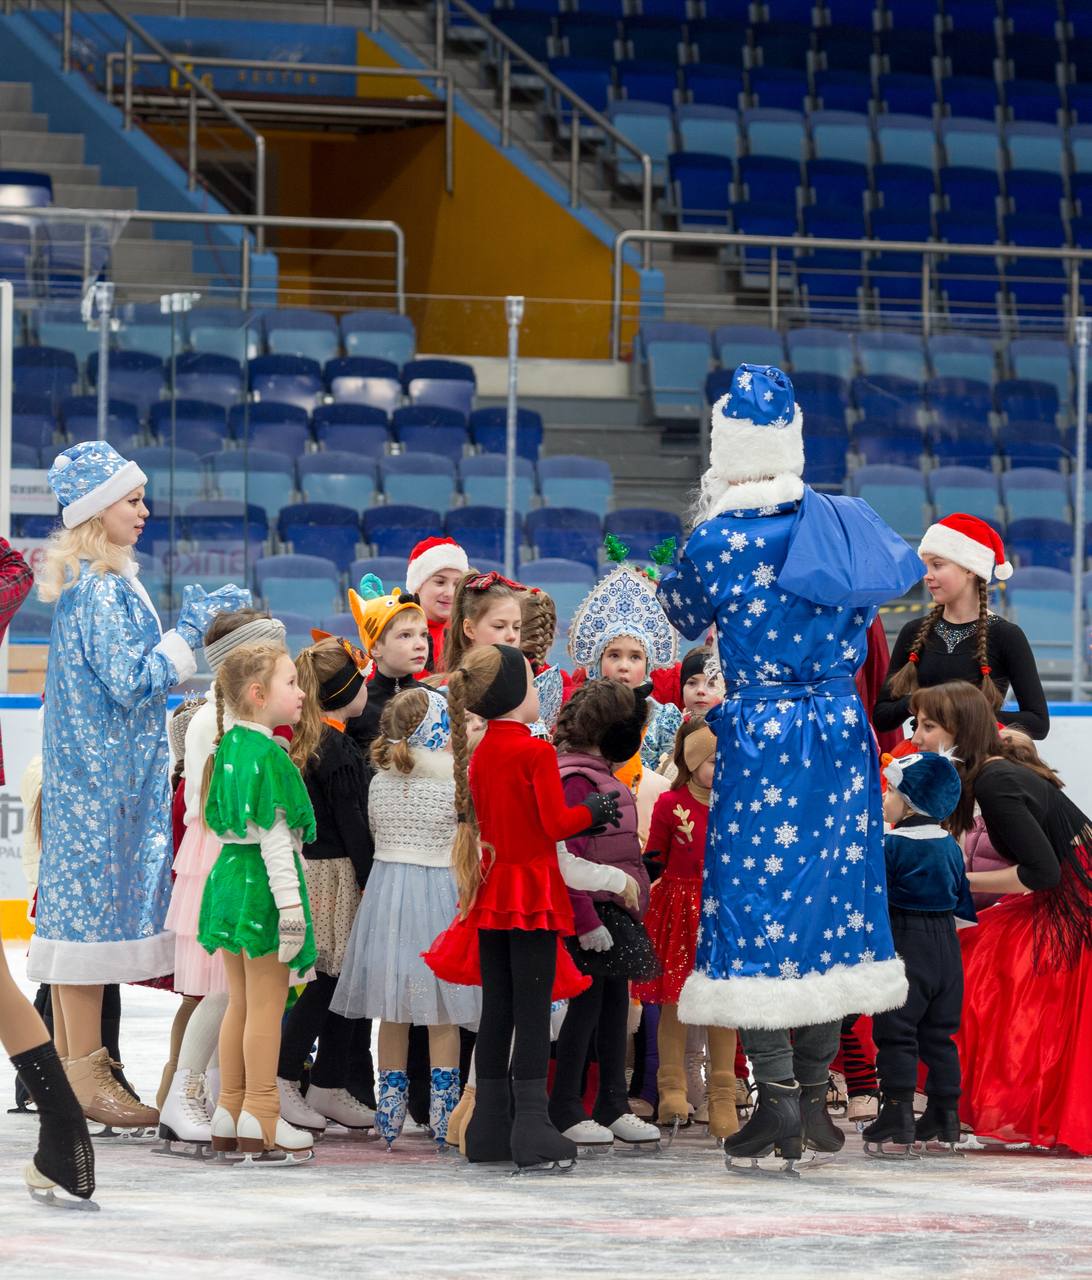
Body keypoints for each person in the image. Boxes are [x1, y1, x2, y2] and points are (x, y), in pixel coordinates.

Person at [657, 364, 923, 1173]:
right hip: (839, 732)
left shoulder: (712, 540)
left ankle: (772, 1101)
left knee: (753, 907)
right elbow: (877, 600)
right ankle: (814, 1098)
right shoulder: (842, 522)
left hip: (764, 732)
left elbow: (679, 614)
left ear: (724, 452)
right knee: (830, 902)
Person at [28, 441, 249, 1134]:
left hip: (97, 784)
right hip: (102, 790)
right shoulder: (99, 588)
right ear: (99, 511)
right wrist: (188, 634)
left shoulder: (101, 583)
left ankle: (78, 1069)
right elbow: (131, 681)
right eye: (132, 499)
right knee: (85, 934)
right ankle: (86, 1071)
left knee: (75, 936)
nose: (145, 510)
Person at [422, 644, 632, 1170]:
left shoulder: (484, 749)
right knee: (533, 1014)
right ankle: (532, 1125)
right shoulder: (534, 752)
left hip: (493, 891)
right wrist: (592, 809)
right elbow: (554, 824)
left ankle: (491, 1126)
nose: (541, 691)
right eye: (534, 683)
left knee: (498, 1011)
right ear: (516, 696)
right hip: (531, 892)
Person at [909, 681, 1092, 1156]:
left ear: (959, 729)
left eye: (928, 726)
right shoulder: (993, 773)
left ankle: (953, 1103)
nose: (917, 738)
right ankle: (946, 1103)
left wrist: (959, 881)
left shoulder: (995, 781)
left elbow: (1041, 874)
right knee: (968, 965)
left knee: (975, 973)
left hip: (1075, 903)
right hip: (1069, 892)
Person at [158, 609, 289, 1149]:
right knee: (222, 988)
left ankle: (210, 1094)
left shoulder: (233, 717)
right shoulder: (223, 724)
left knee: (223, 990)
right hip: (227, 856)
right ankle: (187, 1092)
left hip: (222, 852)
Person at [332, 687, 480, 1149]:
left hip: (387, 896)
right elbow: (464, 843)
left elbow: (377, 833)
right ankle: (444, 1109)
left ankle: (389, 1108)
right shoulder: (454, 782)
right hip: (438, 893)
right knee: (442, 1011)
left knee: (392, 1008)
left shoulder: (381, 779)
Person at [197, 643, 318, 1163]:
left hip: (227, 880)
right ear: (257, 694)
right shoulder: (269, 755)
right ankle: (262, 1114)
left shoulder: (229, 747)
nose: (301, 692)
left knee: (240, 1003)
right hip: (264, 888)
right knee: (265, 1007)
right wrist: (291, 910)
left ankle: (230, 1109)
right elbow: (275, 841)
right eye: (291, 683)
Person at [550, 678, 661, 1149]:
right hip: (590, 914)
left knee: (616, 1007)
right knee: (586, 1010)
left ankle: (612, 1102)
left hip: (616, 910)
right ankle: (566, 1104)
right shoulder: (577, 779)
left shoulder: (602, 774)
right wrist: (586, 920)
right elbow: (565, 858)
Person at [276, 636, 377, 1137]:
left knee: (341, 985)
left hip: (324, 873)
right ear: (343, 693)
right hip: (337, 875)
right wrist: (372, 880)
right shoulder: (334, 750)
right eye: (361, 683)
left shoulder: (319, 741)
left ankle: (328, 1083)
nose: (368, 690)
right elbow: (354, 825)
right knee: (325, 983)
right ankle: (283, 1076)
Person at [862, 751, 976, 1155]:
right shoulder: (950, 845)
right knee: (940, 1035)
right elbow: (964, 904)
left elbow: (873, 898)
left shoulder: (889, 843)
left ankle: (897, 1111)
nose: (885, 796)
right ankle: (945, 1113)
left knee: (897, 1034)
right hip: (947, 947)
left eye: (891, 789)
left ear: (909, 803)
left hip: (905, 941)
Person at [634, 718, 740, 1142]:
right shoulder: (670, 804)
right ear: (694, 760)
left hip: (724, 911)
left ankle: (723, 1098)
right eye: (715, 759)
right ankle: (672, 1090)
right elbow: (653, 857)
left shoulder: (738, 802)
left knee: (722, 1006)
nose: (724, 767)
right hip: (679, 910)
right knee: (674, 1002)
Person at [874, 512, 1048, 740]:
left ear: (970, 569)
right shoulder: (914, 631)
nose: (927, 576)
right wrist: (919, 702)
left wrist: (967, 715)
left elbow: (1037, 723)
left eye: (937, 565)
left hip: (981, 763)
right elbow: (882, 716)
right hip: (927, 760)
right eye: (925, 566)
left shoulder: (1006, 635)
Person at [346, 575, 430, 754]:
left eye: (423, 634)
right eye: (405, 635)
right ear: (376, 647)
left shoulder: (435, 701)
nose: (421, 644)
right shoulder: (358, 707)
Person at [404, 535, 469, 673]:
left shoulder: (469, 631)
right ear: (418, 586)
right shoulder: (397, 631)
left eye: (457, 584)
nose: (450, 593)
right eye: (440, 582)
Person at [441, 568, 524, 676]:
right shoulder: (451, 689)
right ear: (469, 629)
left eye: (517, 627)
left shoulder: (524, 681)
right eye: (499, 626)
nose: (512, 636)